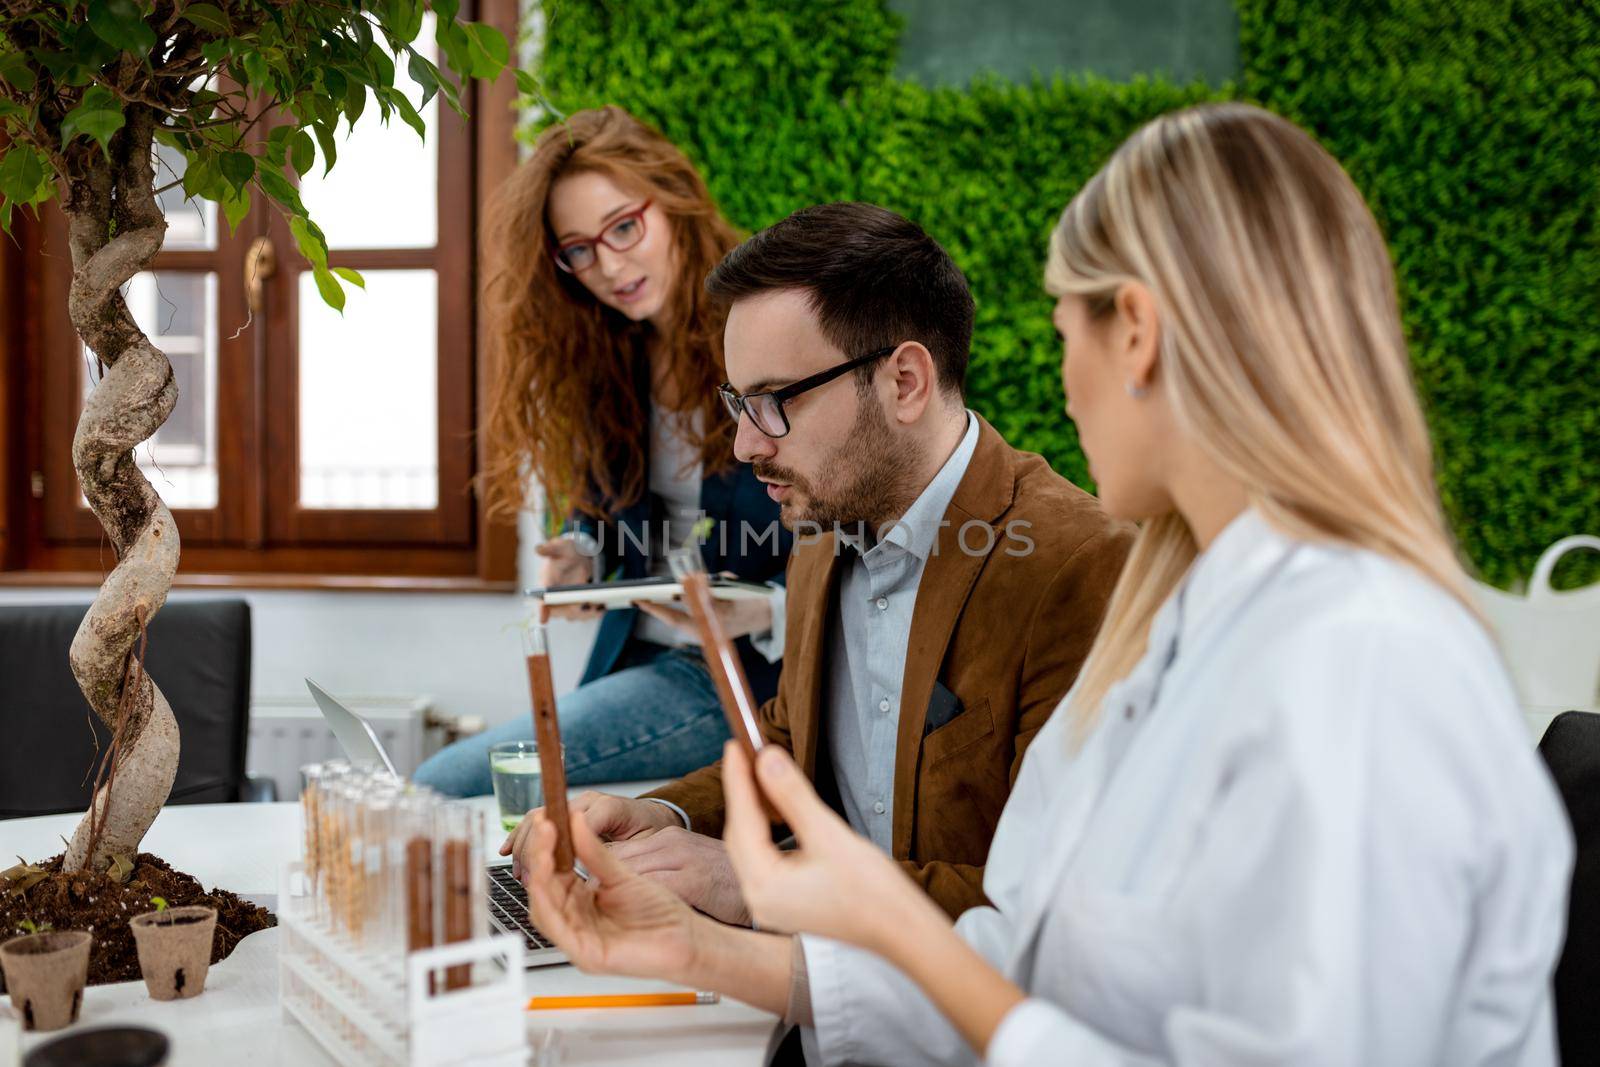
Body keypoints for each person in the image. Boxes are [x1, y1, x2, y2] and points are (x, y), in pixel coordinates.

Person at [513, 103, 1575, 1066]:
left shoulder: (1357, 659)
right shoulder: (1195, 620)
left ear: (1139, 333)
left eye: (1066, 330)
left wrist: (758, 898)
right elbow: (1018, 961)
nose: (1061, 386)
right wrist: (698, 938)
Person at [506, 202, 1133, 922]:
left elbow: (1058, 909)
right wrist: (668, 814)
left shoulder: (1077, 565)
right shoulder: (824, 528)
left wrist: (765, 883)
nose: (744, 445)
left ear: (904, 381)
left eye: (773, 401)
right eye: (739, 402)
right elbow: (790, 739)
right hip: (812, 993)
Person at [414, 106, 792, 795]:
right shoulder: (612, 357)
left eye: (624, 226)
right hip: (642, 658)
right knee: (468, 788)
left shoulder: (774, 336)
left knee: (447, 780)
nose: (609, 265)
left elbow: (865, 543)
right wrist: (584, 550)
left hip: (746, 678)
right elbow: (609, 514)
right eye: (578, 250)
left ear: (674, 202)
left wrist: (767, 609)